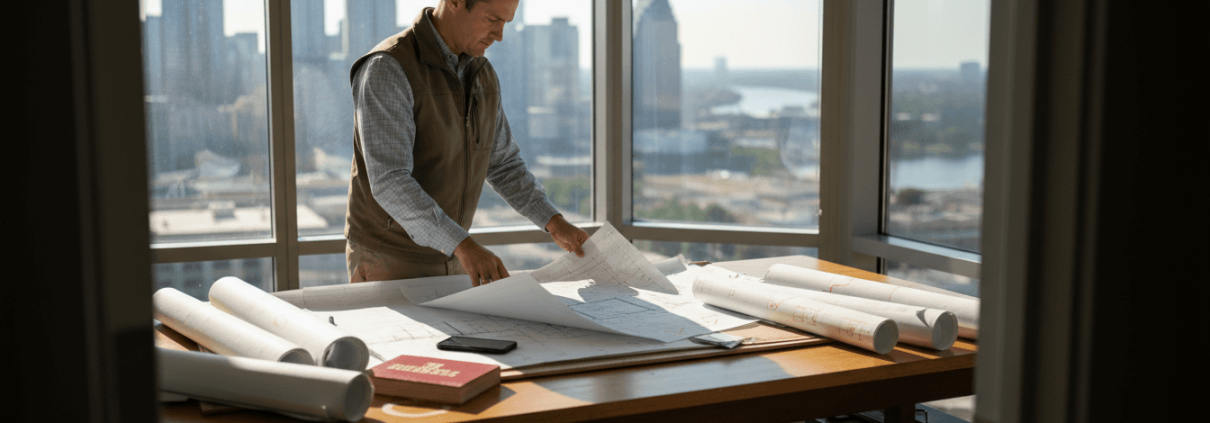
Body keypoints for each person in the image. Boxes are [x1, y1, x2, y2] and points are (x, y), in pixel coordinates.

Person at [344, 0, 588, 286]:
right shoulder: (388, 68)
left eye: (506, 23)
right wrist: (463, 244)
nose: (499, 35)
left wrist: (554, 222)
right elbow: (390, 180)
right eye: (492, 19)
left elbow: (504, 164)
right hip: (389, 261)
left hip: (454, 254)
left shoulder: (483, 74)